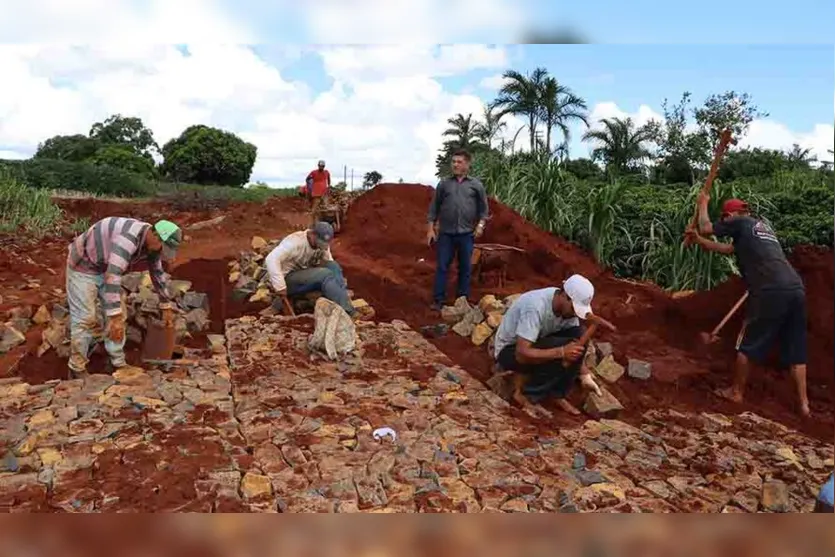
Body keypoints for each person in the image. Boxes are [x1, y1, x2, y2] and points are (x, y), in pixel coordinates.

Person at [687, 192, 810, 417]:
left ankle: (736, 393)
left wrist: (703, 204)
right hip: (796, 288)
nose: (724, 223)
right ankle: (804, 406)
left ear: (729, 215)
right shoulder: (761, 229)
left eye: (725, 219)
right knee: (796, 352)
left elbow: (706, 227)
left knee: (747, 343)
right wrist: (698, 241)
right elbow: (727, 249)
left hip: (770, 290)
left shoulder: (739, 222)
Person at [66, 218, 182, 378]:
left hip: (105, 266)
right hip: (83, 266)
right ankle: (76, 368)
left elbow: (157, 273)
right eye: (163, 247)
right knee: (85, 318)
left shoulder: (152, 245)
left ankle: (117, 363)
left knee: (121, 314)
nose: (162, 252)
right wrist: (114, 316)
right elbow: (112, 276)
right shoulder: (128, 239)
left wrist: (166, 305)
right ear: (155, 235)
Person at [492, 275, 607, 416]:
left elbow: (576, 345)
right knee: (563, 347)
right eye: (574, 308)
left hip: (537, 343)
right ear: (565, 296)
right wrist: (562, 352)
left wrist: (584, 374)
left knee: (579, 335)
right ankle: (528, 395)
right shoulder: (535, 307)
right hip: (510, 351)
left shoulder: (567, 312)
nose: (575, 314)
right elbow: (522, 352)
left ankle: (558, 394)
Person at [426, 149, 489, 311]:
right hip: (446, 234)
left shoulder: (476, 185)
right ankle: (438, 300)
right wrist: (430, 229)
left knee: (465, 267)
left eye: (459, 162)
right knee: (442, 266)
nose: (455, 164)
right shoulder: (444, 184)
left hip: (466, 234)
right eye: (453, 161)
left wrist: (480, 225)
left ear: (467, 164)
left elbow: (483, 209)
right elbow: (434, 208)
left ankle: (462, 300)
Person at [265, 221, 360, 319]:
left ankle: (343, 301)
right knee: (325, 274)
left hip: (304, 276)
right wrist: (280, 286)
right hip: (287, 280)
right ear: (311, 234)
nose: (321, 246)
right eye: (319, 242)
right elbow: (271, 258)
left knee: (333, 266)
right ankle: (348, 313)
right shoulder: (294, 243)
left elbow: (329, 262)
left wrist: (339, 285)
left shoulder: (320, 244)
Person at [306, 159, 331, 225]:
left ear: (324, 166)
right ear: (318, 166)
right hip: (316, 193)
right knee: (314, 210)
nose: (321, 167)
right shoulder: (313, 172)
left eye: (322, 166)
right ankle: (311, 224)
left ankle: (326, 223)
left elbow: (329, 180)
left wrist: (329, 186)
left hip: (324, 193)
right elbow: (307, 179)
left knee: (327, 209)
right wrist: (310, 187)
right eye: (320, 166)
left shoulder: (326, 172)